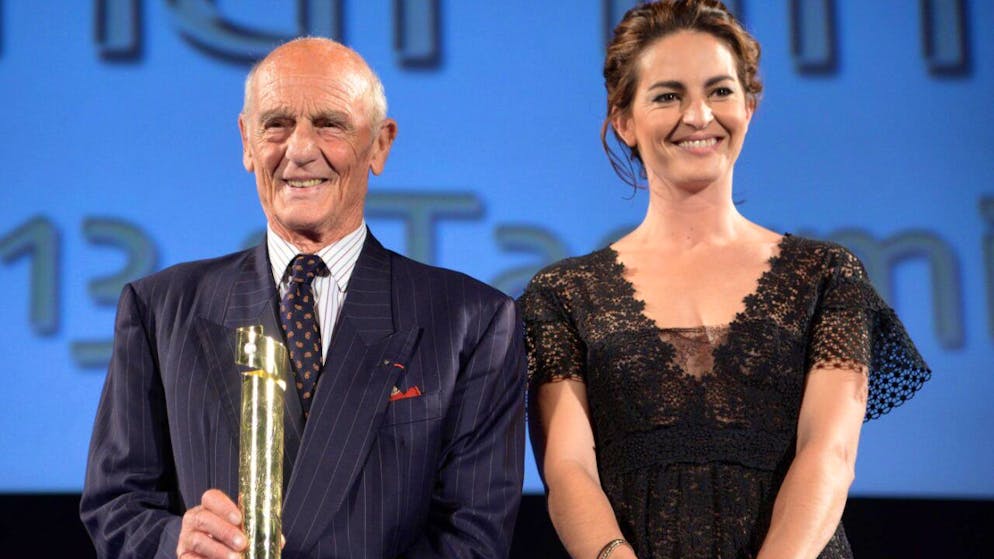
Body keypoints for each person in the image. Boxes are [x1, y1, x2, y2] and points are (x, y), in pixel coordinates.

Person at [81, 37, 526, 559]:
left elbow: (472, 537)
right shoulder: (160, 309)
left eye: (330, 124)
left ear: (380, 145)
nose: (299, 150)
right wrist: (172, 543)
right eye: (277, 125)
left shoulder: (472, 321)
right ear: (247, 142)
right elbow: (116, 505)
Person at [519, 1, 930, 558]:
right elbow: (567, 470)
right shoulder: (563, 296)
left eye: (720, 91)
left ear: (749, 107)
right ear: (624, 121)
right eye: (667, 96)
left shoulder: (826, 276)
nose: (698, 116)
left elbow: (829, 453)